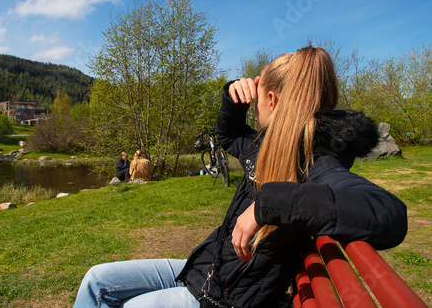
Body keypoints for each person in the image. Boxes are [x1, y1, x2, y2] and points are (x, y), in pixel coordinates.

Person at [74, 46, 408, 308]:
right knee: (96, 281)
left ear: (273, 100)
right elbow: (229, 135)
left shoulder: (318, 164)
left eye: (260, 96)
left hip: (222, 297)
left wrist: (269, 203)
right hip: (205, 269)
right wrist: (233, 99)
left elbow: (388, 213)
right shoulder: (263, 147)